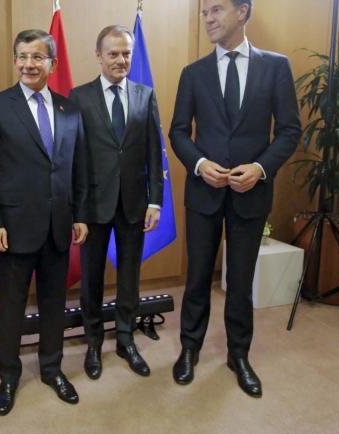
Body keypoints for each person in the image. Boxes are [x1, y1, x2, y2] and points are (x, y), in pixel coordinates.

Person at [169, 0, 301, 398]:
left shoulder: (276, 67)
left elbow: (289, 130)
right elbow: (178, 132)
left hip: (251, 194)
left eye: (216, 10)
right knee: (197, 278)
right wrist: (199, 164)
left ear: (242, 12)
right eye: (205, 12)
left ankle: (238, 355)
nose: (208, 18)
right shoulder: (193, 73)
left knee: (240, 282)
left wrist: (260, 168)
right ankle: (189, 349)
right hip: (203, 193)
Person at [0, 29, 88, 416]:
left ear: (52, 64)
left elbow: (78, 167)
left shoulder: (70, 109)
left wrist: (80, 215)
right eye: (22, 56)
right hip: (12, 229)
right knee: (11, 307)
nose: (28, 64)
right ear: (15, 61)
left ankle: (52, 369)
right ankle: (8, 375)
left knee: (55, 304)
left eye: (37, 57)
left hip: (58, 227)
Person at [69, 25, 163, 380]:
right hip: (93, 205)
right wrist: (76, 211)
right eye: (113, 53)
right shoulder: (79, 97)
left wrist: (156, 202)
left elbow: (154, 151)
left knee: (129, 278)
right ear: (99, 56)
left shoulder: (145, 95)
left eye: (126, 53)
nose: (121, 60)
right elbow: (74, 158)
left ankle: (126, 338)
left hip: (134, 204)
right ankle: (93, 342)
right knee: (91, 279)